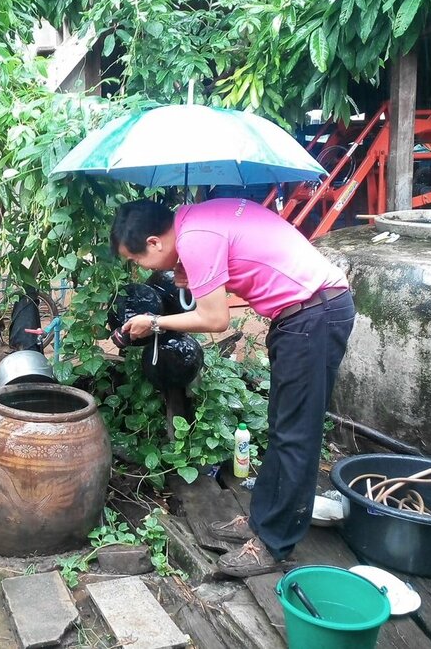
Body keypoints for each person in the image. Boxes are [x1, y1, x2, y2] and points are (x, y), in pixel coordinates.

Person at [110, 198, 354, 577]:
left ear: (155, 243)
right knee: (283, 428)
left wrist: (155, 322)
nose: (138, 267)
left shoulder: (195, 238)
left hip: (313, 314)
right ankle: (261, 523)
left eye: (136, 259)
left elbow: (215, 319)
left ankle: (274, 545)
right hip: (302, 313)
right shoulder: (195, 221)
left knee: (297, 436)